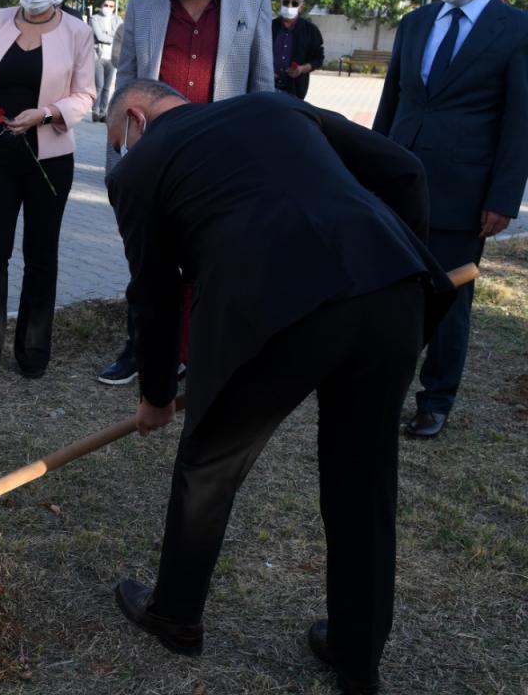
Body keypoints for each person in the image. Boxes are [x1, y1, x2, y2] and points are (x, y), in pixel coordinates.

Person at [105, 80, 455, 695]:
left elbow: (155, 293)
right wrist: (403, 262)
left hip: (274, 313)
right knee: (363, 482)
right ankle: (356, 657)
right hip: (391, 290)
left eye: (118, 140)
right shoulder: (272, 104)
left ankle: (176, 614)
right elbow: (405, 171)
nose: (121, 150)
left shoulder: (140, 169)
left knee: (209, 464)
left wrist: (157, 396)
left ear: (136, 115)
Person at [96, 0, 274, 386]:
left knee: (208, 260)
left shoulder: (253, 1)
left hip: (221, 161)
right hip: (155, 159)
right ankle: (140, 349)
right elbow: (126, 86)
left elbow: (262, 89)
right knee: (147, 260)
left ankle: (198, 354)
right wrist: (116, 164)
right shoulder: (144, 4)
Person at [374, 0, 528, 437]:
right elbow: (391, 103)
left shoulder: (517, 29)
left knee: (448, 298)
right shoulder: (414, 22)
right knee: (387, 290)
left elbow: (520, 121)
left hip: (464, 191)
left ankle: (435, 401)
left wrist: (503, 198)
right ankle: (378, 388)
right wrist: (368, 171)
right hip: (399, 183)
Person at [0, 0, 96, 379]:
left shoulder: (79, 32)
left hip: (49, 156)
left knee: (40, 255)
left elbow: (86, 95)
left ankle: (33, 350)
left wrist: (48, 113)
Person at [272, 0, 324, 99]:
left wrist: (301, 69)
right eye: (286, 2)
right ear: (280, 2)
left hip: (295, 91)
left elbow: (318, 59)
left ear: (301, 7)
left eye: (294, 3)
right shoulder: (268, 27)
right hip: (267, 88)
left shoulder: (311, 31)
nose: (289, 5)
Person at [88, 0, 121, 120]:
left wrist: (108, 35)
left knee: (107, 87)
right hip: (98, 57)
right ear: (102, 6)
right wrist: (112, 37)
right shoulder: (95, 18)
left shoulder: (118, 19)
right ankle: (95, 111)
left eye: (111, 6)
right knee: (99, 85)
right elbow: (99, 36)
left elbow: (121, 35)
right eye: (106, 5)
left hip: (112, 58)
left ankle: (103, 112)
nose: (108, 8)